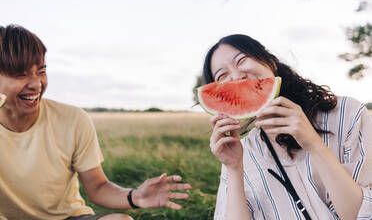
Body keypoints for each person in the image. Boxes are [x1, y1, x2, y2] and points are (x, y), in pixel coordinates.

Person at [0, 24, 191, 220]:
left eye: (41, 71)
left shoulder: (73, 119)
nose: (36, 84)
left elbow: (97, 187)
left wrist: (135, 197)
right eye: (21, 75)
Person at [203, 34, 372, 220]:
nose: (236, 77)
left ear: (270, 63)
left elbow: (359, 214)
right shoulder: (242, 152)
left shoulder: (347, 114)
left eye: (241, 60)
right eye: (222, 75)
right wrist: (234, 169)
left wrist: (314, 144)